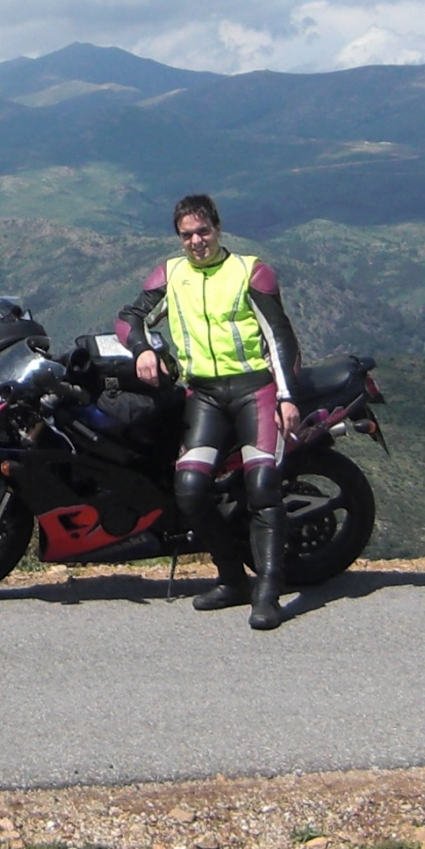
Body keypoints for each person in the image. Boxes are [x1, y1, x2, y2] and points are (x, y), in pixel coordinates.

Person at [116, 193, 305, 630]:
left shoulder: (250, 272)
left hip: (254, 389)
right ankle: (232, 578)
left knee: (262, 485)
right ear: (178, 238)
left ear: (218, 229)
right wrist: (143, 349)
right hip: (203, 393)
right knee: (189, 488)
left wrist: (287, 396)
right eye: (187, 235)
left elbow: (280, 337)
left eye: (204, 231)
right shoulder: (171, 274)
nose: (197, 241)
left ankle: (268, 595)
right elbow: (130, 317)